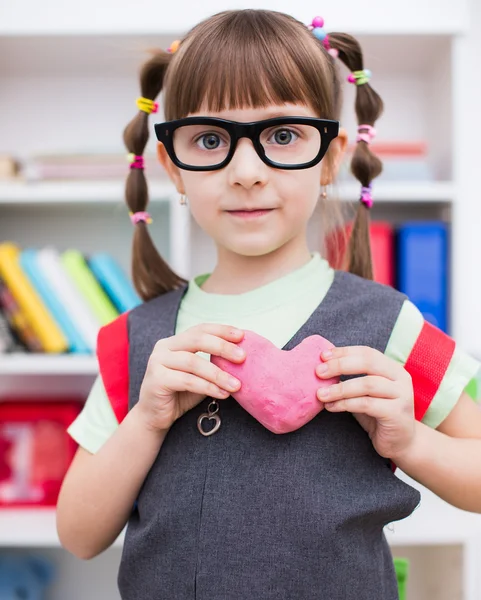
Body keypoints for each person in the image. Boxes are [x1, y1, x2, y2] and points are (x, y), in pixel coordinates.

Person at [57, 9, 481, 600]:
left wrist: (411, 442)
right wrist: (147, 421)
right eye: (210, 140)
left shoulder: (390, 326)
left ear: (331, 156)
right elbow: (78, 534)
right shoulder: (135, 342)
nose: (247, 172)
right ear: (172, 167)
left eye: (282, 135)